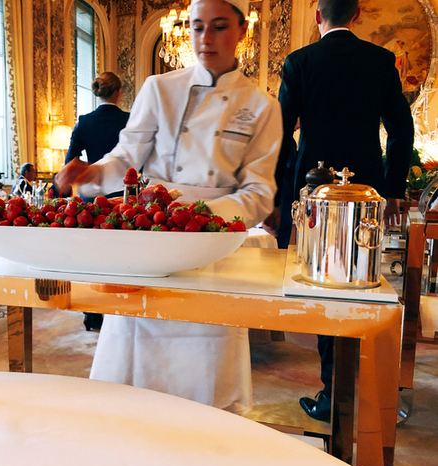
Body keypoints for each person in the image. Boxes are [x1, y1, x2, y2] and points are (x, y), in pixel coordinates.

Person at [55, 0, 282, 414]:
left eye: (218, 26)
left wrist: (201, 219)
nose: (205, 38)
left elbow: (258, 191)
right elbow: (126, 157)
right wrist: (92, 174)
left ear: (242, 30)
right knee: (134, 355)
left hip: (213, 243)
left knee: (205, 360)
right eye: (197, 27)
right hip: (151, 237)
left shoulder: (263, 106)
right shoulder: (159, 88)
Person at [268, 0, 414, 422]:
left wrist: (284, 188)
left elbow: (280, 132)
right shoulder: (381, 60)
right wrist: (393, 190)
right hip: (366, 190)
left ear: (318, 16)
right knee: (361, 281)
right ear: (356, 15)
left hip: (314, 192)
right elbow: (401, 130)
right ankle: (359, 386)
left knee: (322, 282)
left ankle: (336, 390)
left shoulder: (299, 62)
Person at [64, 71, 130, 331]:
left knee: (91, 255)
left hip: (90, 194)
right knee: (120, 255)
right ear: (119, 92)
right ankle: (119, 310)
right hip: (123, 193)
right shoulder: (128, 120)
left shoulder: (84, 122)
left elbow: (71, 159)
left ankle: (92, 314)